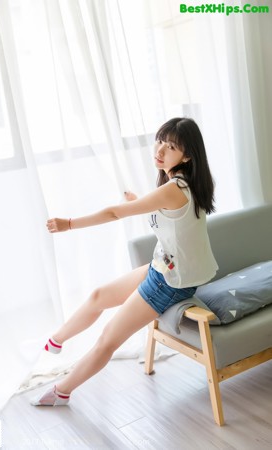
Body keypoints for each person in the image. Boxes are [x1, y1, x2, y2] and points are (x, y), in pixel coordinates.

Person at [31, 117, 218, 406]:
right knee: (98, 296)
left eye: (171, 147)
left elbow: (116, 213)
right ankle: (57, 339)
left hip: (170, 281)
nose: (160, 150)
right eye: (160, 140)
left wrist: (69, 223)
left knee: (108, 339)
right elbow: (173, 219)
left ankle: (61, 392)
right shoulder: (181, 185)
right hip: (166, 268)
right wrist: (140, 200)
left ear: (187, 155)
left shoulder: (173, 189)